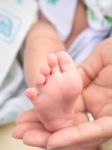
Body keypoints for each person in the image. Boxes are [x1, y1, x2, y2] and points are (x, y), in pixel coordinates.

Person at [13, 0, 112, 150]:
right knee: (41, 37)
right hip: (53, 19)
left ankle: (54, 98)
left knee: (43, 40)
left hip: (101, 40)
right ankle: (49, 90)